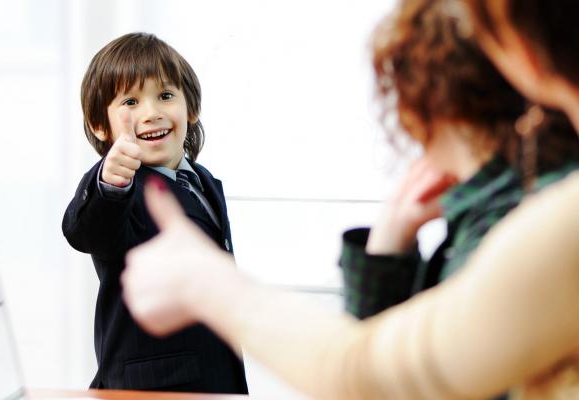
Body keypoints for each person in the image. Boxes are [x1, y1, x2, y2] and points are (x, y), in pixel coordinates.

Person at [121, 1, 579, 399]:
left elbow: (369, 377)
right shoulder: (525, 208)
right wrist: (387, 246)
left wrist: (205, 281)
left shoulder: (544, 224)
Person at [339, 0, 578, 319]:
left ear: (424, 100)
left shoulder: (497, 230)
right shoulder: (541, 183)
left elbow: (387, 367)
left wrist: (386, 245)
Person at [62, 32, 248, 393]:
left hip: (215, 376)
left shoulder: (204, 182)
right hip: (149, 388)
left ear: (190, 108)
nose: (151, 113)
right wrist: (110, 183)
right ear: (101, 125)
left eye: (165, 96)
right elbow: (86, 232)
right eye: (130, 102)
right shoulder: (122, 188)